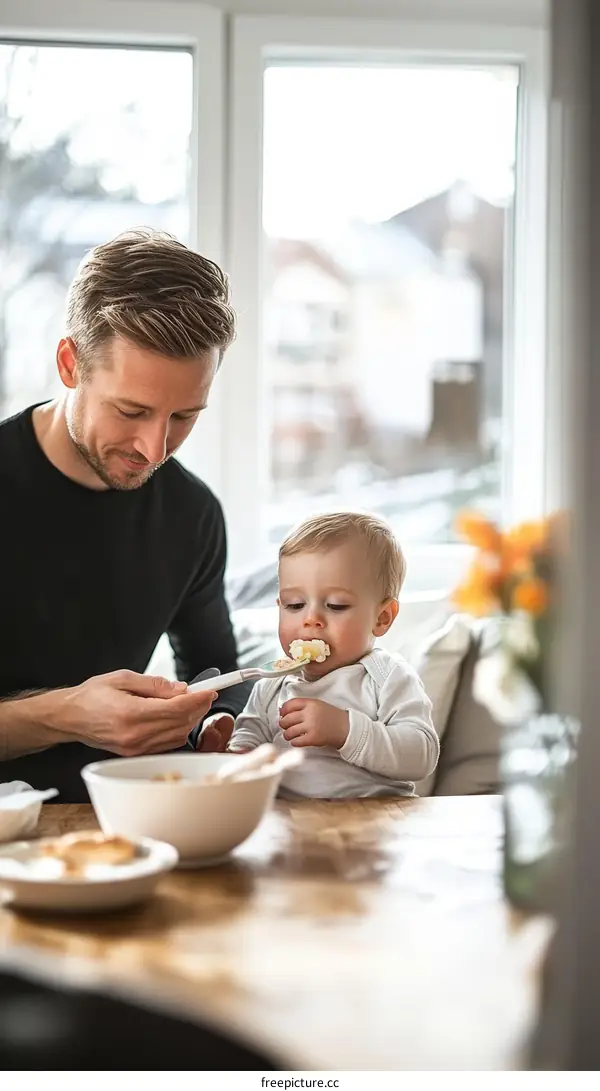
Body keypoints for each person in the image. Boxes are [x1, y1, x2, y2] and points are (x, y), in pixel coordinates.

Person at [0, 228, 247, 801]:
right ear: (70, 363)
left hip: (131, 825)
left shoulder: (194, 514)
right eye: (131, 410)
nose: (154, 449)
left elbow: (217, 671)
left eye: (184, 416)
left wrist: (211, 724)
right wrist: (65, 714)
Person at [229, 512, 439, 798]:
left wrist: (345, 730)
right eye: (294, 605)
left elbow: (421, 754)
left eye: (336, 605)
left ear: (382, 617)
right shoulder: (272, 682)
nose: (311, 618)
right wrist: (236, 754)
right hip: (290, 820)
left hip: (376, 819)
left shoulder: (387, 676)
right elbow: (249, 739)